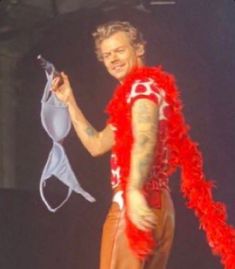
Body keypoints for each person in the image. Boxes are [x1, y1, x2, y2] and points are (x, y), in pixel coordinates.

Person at [52, 21, 235, 269]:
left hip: (136, 203)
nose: (113, 59)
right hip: (160, 208)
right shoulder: (135, 95)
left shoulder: (142, 88)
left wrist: (135, 190)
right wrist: (69, 101)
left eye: (119, 50)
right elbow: (96, 145)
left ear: (138, 49)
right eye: (107, 55)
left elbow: (145, 137)